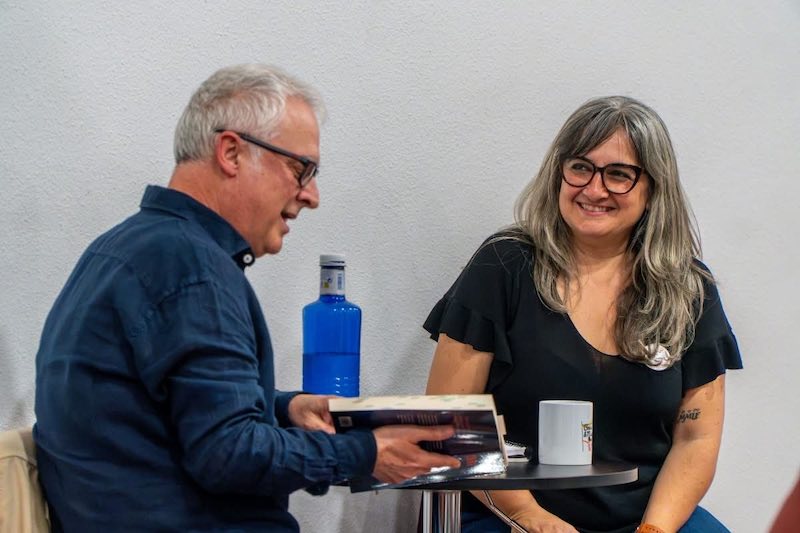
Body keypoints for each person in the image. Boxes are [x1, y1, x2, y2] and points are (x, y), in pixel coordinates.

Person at [33, 64, 460, 532]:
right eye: (301, 169)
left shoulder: (124, 248)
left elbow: (173, 403)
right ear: (231, 152)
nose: (312, 196)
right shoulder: (193, 269)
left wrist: (284, 408)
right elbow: (229, 453)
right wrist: (365, 453)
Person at [423, 96, 743, 533]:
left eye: (619, 175)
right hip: (511, 514)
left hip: (648, 520)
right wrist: (530, 516)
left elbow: (696, 438)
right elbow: (448, 418)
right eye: (580, 168)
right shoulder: (503, 265)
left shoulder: (689, 288)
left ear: (653, 189)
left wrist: (654, 530)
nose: (594, 190)